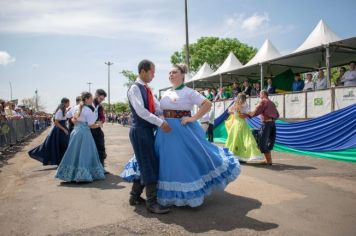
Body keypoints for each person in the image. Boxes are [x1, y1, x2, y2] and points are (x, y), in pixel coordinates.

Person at [121, 63, 240, 208]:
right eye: (169, 73)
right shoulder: (165, 93)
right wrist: (159, 121)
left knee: (182, 162)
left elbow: (207, 104)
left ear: (183, 75)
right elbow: (157, 110)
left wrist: (193, 118)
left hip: (181, 132)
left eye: (174, 72)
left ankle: (179, 195)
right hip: (164, 132)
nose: (170, 75)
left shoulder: (189, 91)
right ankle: (147, 195)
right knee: (161, 161)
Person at [126, 59, 171, 214]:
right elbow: (141, 111)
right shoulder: (135, 88)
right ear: (143, 71)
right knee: (148, 163)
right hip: (140, 130)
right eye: (152, 72)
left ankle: (135, 196)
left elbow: (157, 108)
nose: (153, 75)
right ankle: (152, 202)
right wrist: (160, 123)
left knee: (144, 162)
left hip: (145, 130)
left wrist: (169, 114)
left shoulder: (147, 89)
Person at [55, 92, 105, 182]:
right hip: (85, 134)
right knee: (85, 154)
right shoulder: (88, 110)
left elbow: (67, 115)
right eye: (90, 98)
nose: (91, 100)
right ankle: (82, 175)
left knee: (73, 153)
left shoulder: (75, 107)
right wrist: (99, 125)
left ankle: (71, 174)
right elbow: (91, 125)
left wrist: (74, 120)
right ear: (86, 99)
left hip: (75, 132)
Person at [28, 98, 70, 165]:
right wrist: (64, 129)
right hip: (59, 131)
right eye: (68, 102)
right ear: (65, 103)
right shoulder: (60, 111)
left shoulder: (63, 110)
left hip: (61, 130)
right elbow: (56, 122)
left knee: (62, 145)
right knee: (60, 145)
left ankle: (62, 160)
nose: (69, 104)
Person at [242, 90, 279, 165]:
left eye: (260, 94)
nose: (259, 96)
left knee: (262, 141)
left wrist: (248, 115)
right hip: (272, 124)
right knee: (268, 141)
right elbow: (277, 115)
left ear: (263, 94)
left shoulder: (263, 102)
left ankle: (269, 161)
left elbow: (257, 111)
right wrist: (272, 119)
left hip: (266, 124)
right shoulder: (272, 103)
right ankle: (267, 160)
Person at [225, 93, 263, 162]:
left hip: (238, 123)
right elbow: (229, 111)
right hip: (238, 123)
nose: (239, 99)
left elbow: (230, 111)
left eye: (239, 98)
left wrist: (237, 113)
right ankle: (239, 155)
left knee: (240, 138)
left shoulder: (240, 104)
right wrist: (236, 112)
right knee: (241, 138)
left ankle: (240, 155)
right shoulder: (239, 104)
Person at [91, 89, 108, 172]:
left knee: (101, 148)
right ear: (96, 95)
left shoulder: (100, 106)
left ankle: (101, 168)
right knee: (90, 150)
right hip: (88, 131)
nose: (101, 101)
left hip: (97, 130)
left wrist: (101, 121)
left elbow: (102, 117)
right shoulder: (88, 104)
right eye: (100, 99)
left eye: (103, 99)